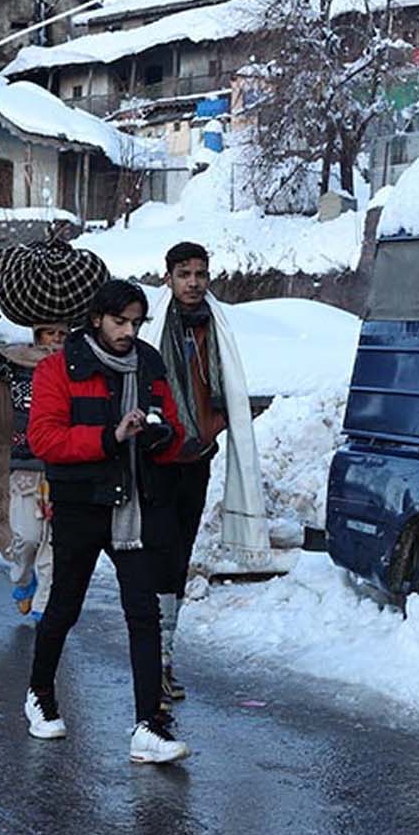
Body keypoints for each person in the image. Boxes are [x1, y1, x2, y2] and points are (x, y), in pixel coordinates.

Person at [25, 279, 189, 763]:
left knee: (144, 613)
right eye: (120, 321)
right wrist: (110, 436)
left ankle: (148, 726)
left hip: (135, 507)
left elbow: (173, 423)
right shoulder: (60, 367)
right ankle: (39, 693)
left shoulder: (150, 363)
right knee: (64, 607)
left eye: (136, 323)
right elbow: (45, 439)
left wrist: (161, 436)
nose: (128, 331)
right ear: (97, 318)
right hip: (81, 505)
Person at [145, 242, 270, 703]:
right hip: (158, 458)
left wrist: (211, 430)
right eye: (184, 274)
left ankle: (165, 658)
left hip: (197, 456)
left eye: (200, 273)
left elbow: (228, 390)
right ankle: (152, 660)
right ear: (169, 278)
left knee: (178, 558)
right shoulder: (155, 324)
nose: (193, 282)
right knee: (157, 557)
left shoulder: (215, 325)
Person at [0, 287, 65, 620]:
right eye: (51, 333)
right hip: (25, 465)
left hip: (63, 468)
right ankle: (23, 579)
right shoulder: (19, 366)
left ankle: (43, 609)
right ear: (37, 335)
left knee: (54, 546)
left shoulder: (76, 370)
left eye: (64, 334)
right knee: (26, 538)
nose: (56, 340)